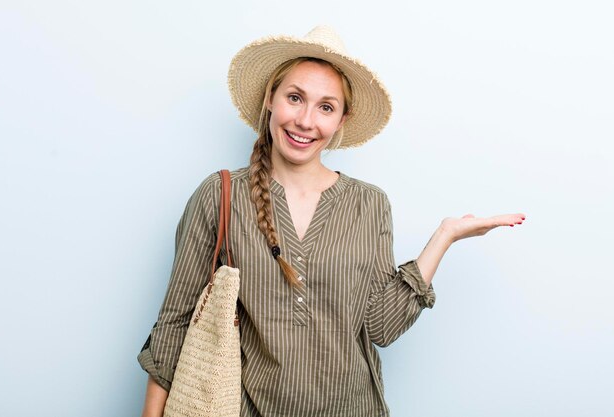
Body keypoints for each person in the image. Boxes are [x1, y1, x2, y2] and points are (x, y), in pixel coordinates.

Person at [138, 26, 525, 417]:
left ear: (341, 120)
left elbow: (381, 326)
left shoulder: (368, 204)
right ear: (271, 99)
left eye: (326, 107)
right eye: (295, 98)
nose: (306, 121)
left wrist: (444, 236)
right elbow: (176, 322)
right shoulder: (220, 195)